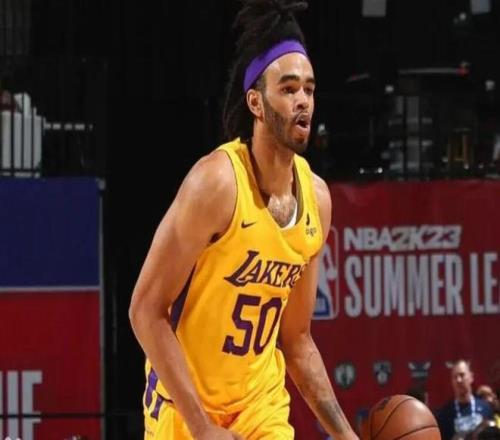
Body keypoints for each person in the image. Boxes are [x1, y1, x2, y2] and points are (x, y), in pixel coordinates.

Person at [128, 0, 359, 439]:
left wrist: (346, 434)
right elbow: (145, 309)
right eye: (288, 89)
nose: (303, 101)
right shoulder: (216, 184)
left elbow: (297, 339)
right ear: (256, 102)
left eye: (309, 89)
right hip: (185, 408)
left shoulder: (317, 200)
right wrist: (202, 427)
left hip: (259, 405)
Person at [437, 360, 493, 440]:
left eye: (462, 375)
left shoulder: (485, 408)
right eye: (455, 377)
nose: (459, 380)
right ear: (452, 382)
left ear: (471, 377)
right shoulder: (445, 414)